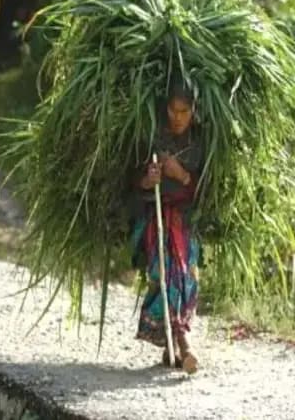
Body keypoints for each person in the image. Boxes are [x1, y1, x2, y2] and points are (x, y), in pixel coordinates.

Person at [128, 80, 204, 373]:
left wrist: (182, 175)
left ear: (193, 111)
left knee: (184, 275)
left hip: (186, 221)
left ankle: (172, 344)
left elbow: (209, 191)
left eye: (183, 112)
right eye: (173, 111)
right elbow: (131, 180)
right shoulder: (152, 136)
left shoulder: (202, 142)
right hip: (156, 219)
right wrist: (148, 180)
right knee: (166, 268)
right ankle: (184, 346)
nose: (177, 118)